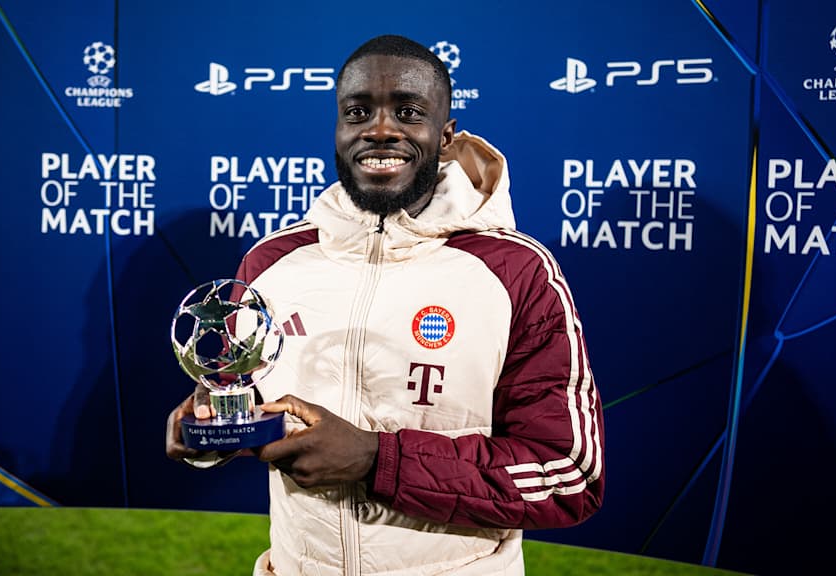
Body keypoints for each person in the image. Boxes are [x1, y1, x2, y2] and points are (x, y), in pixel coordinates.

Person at [166, 34, 604, 575]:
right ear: (338, 130)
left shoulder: (516, 271)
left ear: (445, 138)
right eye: (357, 112)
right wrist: (211, 432)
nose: (379, 129)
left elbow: (569, 475)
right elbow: (247, 403)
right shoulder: (272, 263)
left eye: (408, 111)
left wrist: (378, 459)